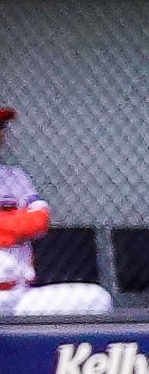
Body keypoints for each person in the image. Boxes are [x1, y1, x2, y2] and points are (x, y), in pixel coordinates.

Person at [0, 106, 112, 317]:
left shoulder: (15, 177)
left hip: (21, 295)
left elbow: (40, 220)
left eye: (1, 127)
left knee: (97, 298)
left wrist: (7, 228)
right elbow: (27, 222)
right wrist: (16, 225)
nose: (1, 135)